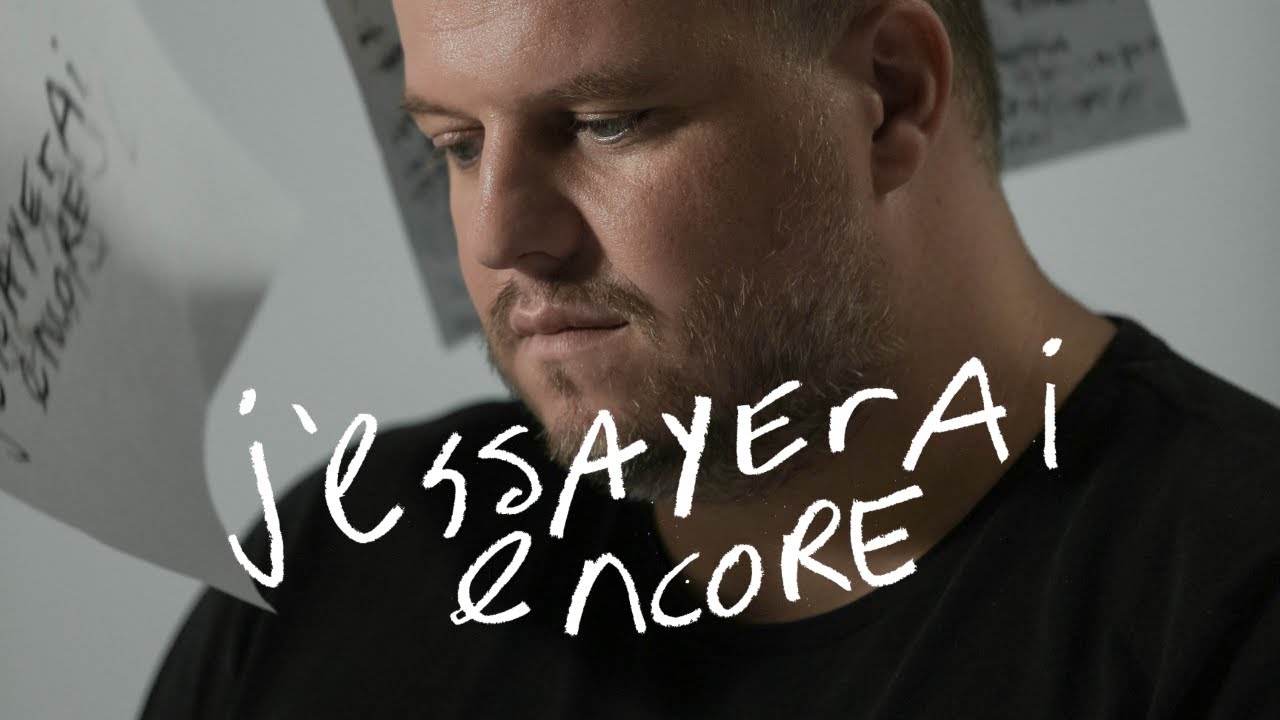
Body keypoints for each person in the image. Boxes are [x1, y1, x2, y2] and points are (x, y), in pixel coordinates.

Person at [142, 0, 1280, 717]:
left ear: (888, 98)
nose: (498, 237)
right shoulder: (334, 571)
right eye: (457, 142)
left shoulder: (1228, 614)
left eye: (606, 122)